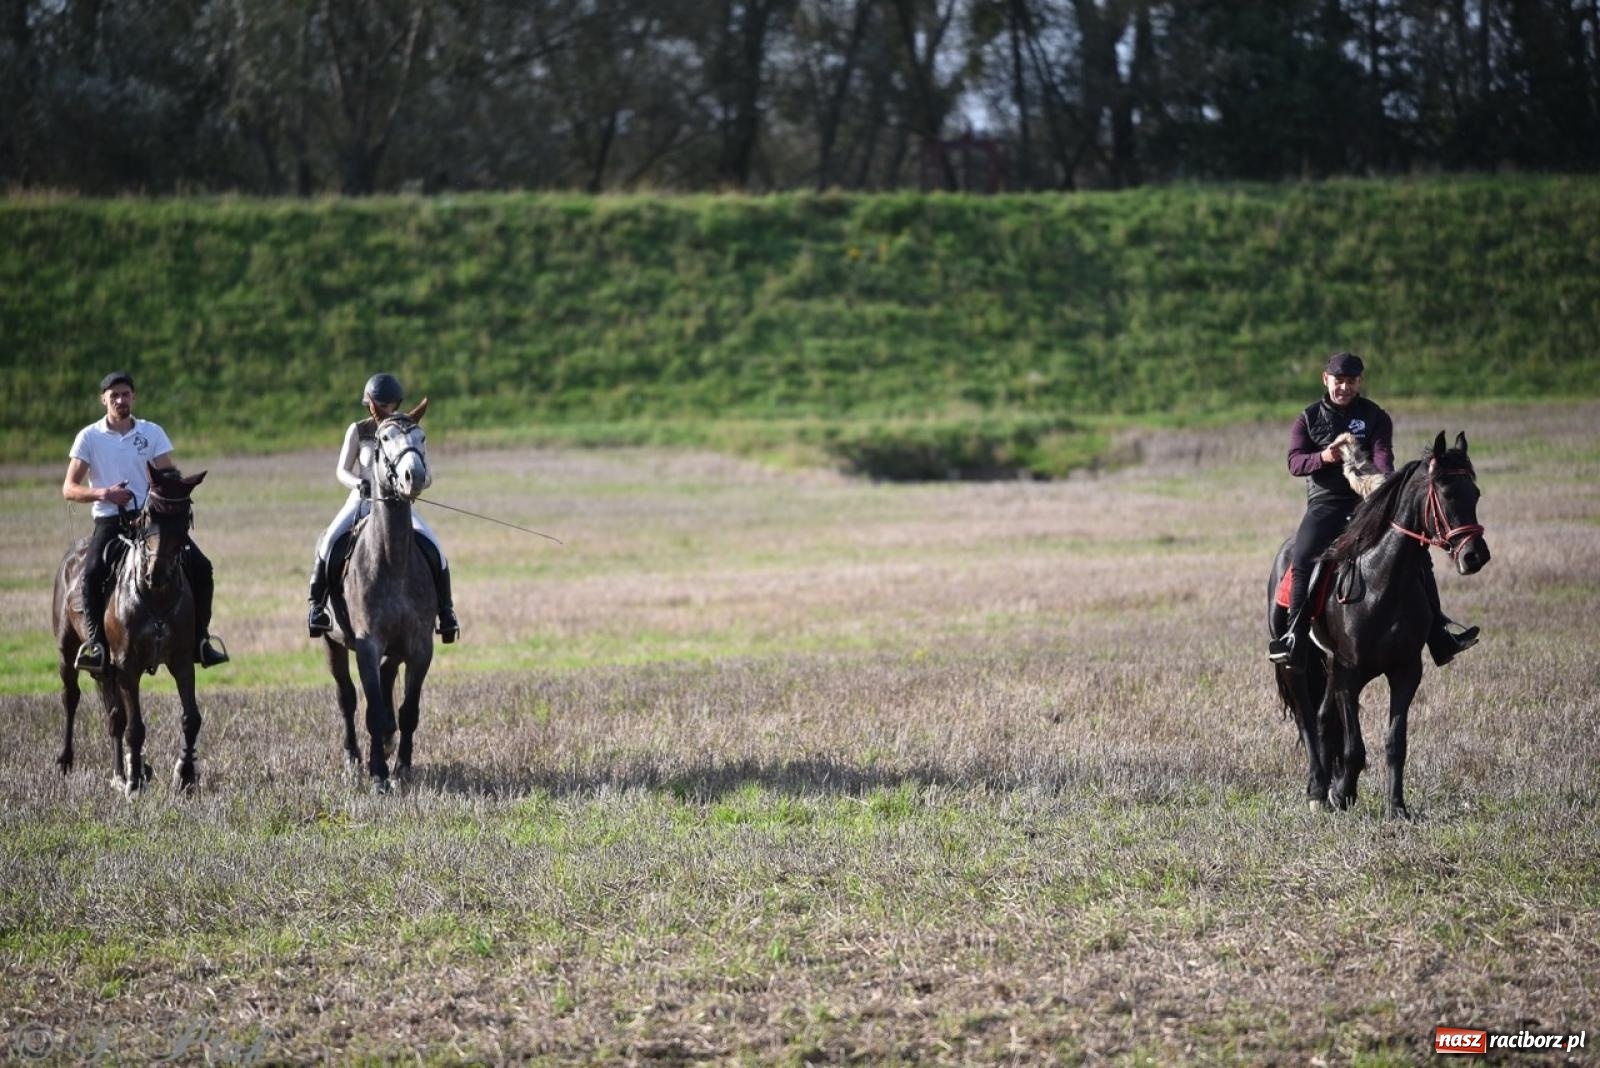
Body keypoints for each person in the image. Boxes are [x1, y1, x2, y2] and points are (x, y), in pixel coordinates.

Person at [1268, 351, 1479, 669]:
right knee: (1302, 556)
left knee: (1416, 550)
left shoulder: (1375, 417)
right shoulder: (1308, 418)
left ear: (1359, 382)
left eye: (1350, 382)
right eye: (1338, 381)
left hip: (1369, 502)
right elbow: (1294, 462)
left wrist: (1383, 486)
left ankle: (1439, 633)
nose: (1344, 388)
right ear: (1326, 380)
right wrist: (1325, 457)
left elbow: (1383, 456)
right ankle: (1294, 636)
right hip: (1325, 505)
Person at [62, 371, 229, 674]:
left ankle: (201, 640)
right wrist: (105, 493)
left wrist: (176, 496)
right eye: (114, 396)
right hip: (110, 521)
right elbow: (69, 488)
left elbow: (169, 477)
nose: (121, 400)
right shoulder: (89, 437)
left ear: (133, 397)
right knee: (91, 574)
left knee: (202, 567)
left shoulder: (152, 433)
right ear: (104, 400)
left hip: (153, 522)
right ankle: (97, 646)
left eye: (126, 394)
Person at [305, 372, 459, 643]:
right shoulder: (358, 430)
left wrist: (414, 485)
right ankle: (317, 608)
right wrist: (358, 484)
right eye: (382, 406)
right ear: (371, 406)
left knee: (436, 548)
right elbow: (342, 470)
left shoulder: (407, 430)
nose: (389, 410)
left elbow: (427, 472)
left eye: (392, 405)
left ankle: (446, 613)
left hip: (397, 505)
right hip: (361, 502)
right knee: (328, 543)